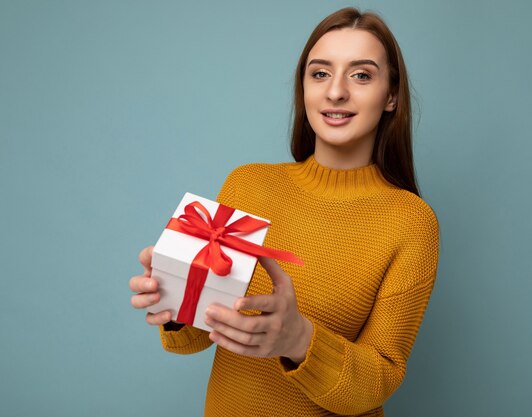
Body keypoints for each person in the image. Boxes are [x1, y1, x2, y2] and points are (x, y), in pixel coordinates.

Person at [129, 7, 439, 417]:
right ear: (304, 88)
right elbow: (192, 340)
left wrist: (299, 340)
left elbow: (378, 381)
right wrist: (174, 296)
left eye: (361, 75)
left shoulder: (410, 221)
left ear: (391, 97)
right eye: (320, 73)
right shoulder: (248, 185)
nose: (336, 92)